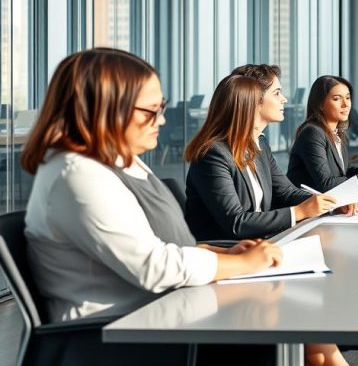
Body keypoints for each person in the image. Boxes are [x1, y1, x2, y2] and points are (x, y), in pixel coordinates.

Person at [21, 48, 282, 365]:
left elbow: (163, 245)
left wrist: (226, 254)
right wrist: (243, 265)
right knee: (277, 327)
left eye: (162, 108)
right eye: (150, 111)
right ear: (106, 109)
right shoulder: (78, 175)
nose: (161, 119)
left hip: (161, 315)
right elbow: (154, 267)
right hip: (120, 338)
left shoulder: (122, 162)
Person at [184, 71, 350, 366]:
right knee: (316, 325)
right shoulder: (213, 154)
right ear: (252, 105)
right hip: (230, 258)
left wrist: (328, 204)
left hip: (260, 251)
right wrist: (300, 213)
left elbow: (286, 192)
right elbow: (235, 222)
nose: (284, 99)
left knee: (320, 338)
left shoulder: (257, 146)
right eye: (277, 93)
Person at [288, 75, 358, 192]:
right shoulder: (312, 132)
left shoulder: (338, 133)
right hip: (307, 206)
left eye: (348, 98)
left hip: (331, 202)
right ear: (320, 104)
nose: (346, 104)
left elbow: (343, 172)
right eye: (337, 99)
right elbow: (326, 183)